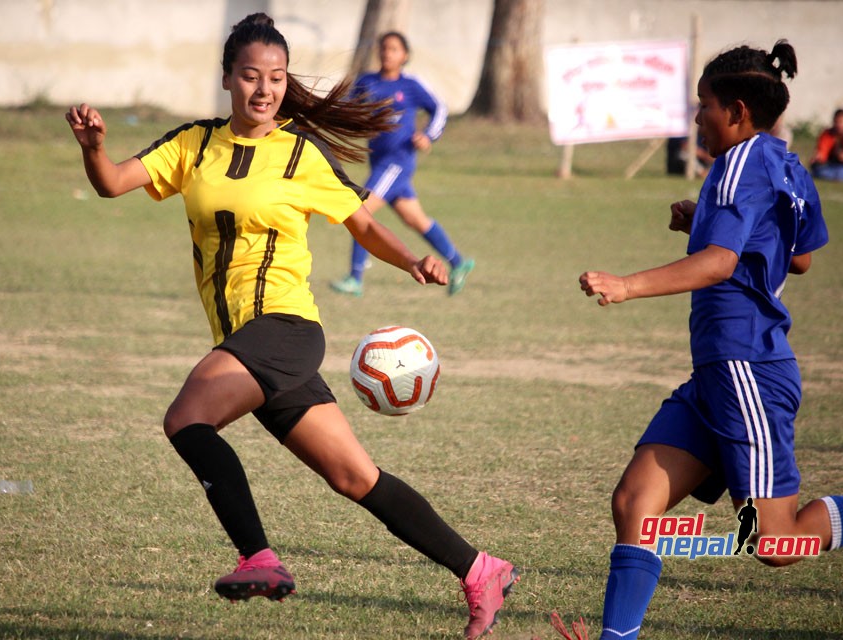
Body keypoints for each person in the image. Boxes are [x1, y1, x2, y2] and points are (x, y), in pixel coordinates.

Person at [64, 13, 516, 639]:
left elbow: (362, 224)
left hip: (285, 330)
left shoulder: (302, 154)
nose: (265, 89)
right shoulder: (194, 143)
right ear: (228, 79)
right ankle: (481, 569)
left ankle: (258, 558)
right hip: (247, 342)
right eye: (251, 76)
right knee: (356, 477)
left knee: (186, 420)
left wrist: (412, 259)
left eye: (276, 77)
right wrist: (93, 147)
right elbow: (113, 183)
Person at [577, 40, 843, 640]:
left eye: (704, 106)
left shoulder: (736, 164)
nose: (695, 119)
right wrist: (710, 220)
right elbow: (801, 257)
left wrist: (627, 285)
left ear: (736, 111)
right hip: (717, 373)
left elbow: (718, 264)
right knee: (636, 501)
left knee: (775, 541)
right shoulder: (786, 163)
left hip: (748, 372)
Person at [330, 31, 475, 297]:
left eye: (394, 49)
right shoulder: (367, 83)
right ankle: (458, 262)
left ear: (405, 56)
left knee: (359, 210)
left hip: (398, 161)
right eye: (384, 48)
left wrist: (428, 134)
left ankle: (355, 277)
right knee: (416, 219)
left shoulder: (411, 85)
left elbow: (439, 109)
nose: (388, 53)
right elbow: (346, 109)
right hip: (379, 163)